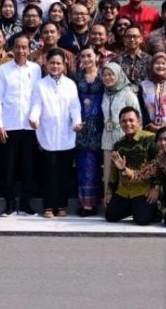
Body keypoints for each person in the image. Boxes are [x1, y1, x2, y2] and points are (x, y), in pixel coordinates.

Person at [29, 49, 83, 218]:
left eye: (58, 63)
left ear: (64, 65)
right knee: (49, 172)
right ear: (46, 64)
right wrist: (34, 118)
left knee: (64, 172)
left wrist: (76, 122)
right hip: (48, 132)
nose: (55, 66)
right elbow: (36, 104)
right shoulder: (40, 84)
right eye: (52, 63)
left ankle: (62, 205)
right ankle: (48, 206)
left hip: (66, 133)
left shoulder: (70, 84)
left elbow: (75, 107)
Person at [0, 34, 42, 216]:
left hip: (30, 126)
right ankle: (9, 204)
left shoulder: (36, 69)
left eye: (24, 47)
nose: (21, 51)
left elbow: (38, 96)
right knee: (8, 167)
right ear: (12, 49)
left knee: (28, 167)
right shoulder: (3, 69)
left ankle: (26, 204)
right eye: (17, 47)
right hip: (9, 124)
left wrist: (35, 116)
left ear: (29, 49)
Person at [104, 107, 159, 226]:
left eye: (131, 120)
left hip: (143, 190)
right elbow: (113, 171)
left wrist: (156, 187)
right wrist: (109, 192)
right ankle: (136, 208)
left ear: (138, 121)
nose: (127, 124)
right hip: (124, 191)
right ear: (120, 123)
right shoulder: (118, 145)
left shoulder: (150, 139)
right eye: (124, 121)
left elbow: (158, 165)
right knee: (110, 215)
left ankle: (149, 209)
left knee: (142, 220)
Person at [74, 46, 105, 216]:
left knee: (103, 163)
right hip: (83, 124)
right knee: (86, 164)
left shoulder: (103, 75)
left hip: (100, 122)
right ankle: (87, 204)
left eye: (89, 56)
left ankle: (104, 200)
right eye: (83, 56)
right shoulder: (76, 76)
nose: (86, 59)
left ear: (97, 57)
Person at [101, 62, 141, 187]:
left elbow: (138, 119)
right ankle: (108, 205)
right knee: (108, 176)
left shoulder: (128, 94)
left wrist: (136, 141)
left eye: (111, 74)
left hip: (125, 140)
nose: (107, 78)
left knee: (125, 177)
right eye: (105, 75)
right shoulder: (105, 94)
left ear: (118, 75)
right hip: (108, 139)